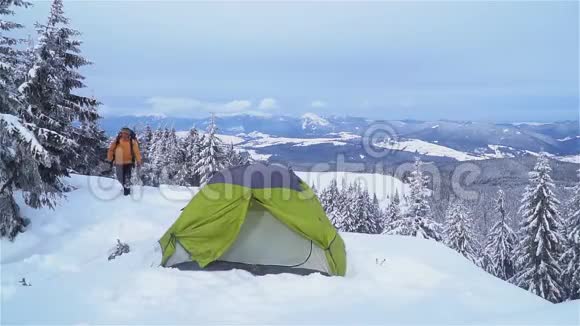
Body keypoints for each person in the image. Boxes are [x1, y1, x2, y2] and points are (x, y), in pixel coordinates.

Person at [107, 127, 142, 196]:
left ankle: (127, 192)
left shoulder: (132, 142)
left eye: (126, 133)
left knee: (127, 177)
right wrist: (110, 158)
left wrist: (138, 161)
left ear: (129, 134)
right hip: (118, 163)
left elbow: (137, 152)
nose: (124, 135)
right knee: (120, 177)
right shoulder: (117, 141)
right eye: (123, 133)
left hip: (129, 162)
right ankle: (125, 186)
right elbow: (111, 150)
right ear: (121, 134)